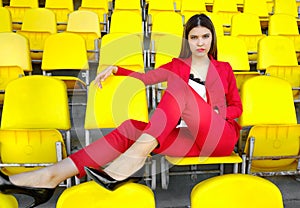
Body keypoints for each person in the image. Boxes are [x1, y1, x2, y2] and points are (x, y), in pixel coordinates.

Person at [0, 14, 242, 207]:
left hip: (218, 136)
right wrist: (117, 69)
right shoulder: (178, 66)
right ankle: (50, 176)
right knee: (130, 128)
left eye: (205, 36)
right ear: (187, 40)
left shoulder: (223, 68)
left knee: (178, 91)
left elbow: (237, 107)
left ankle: (129, 162)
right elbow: (146, 77)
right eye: (194, 37)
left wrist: (216, 114)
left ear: (212, 39)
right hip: (189, 139)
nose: (200, 42)